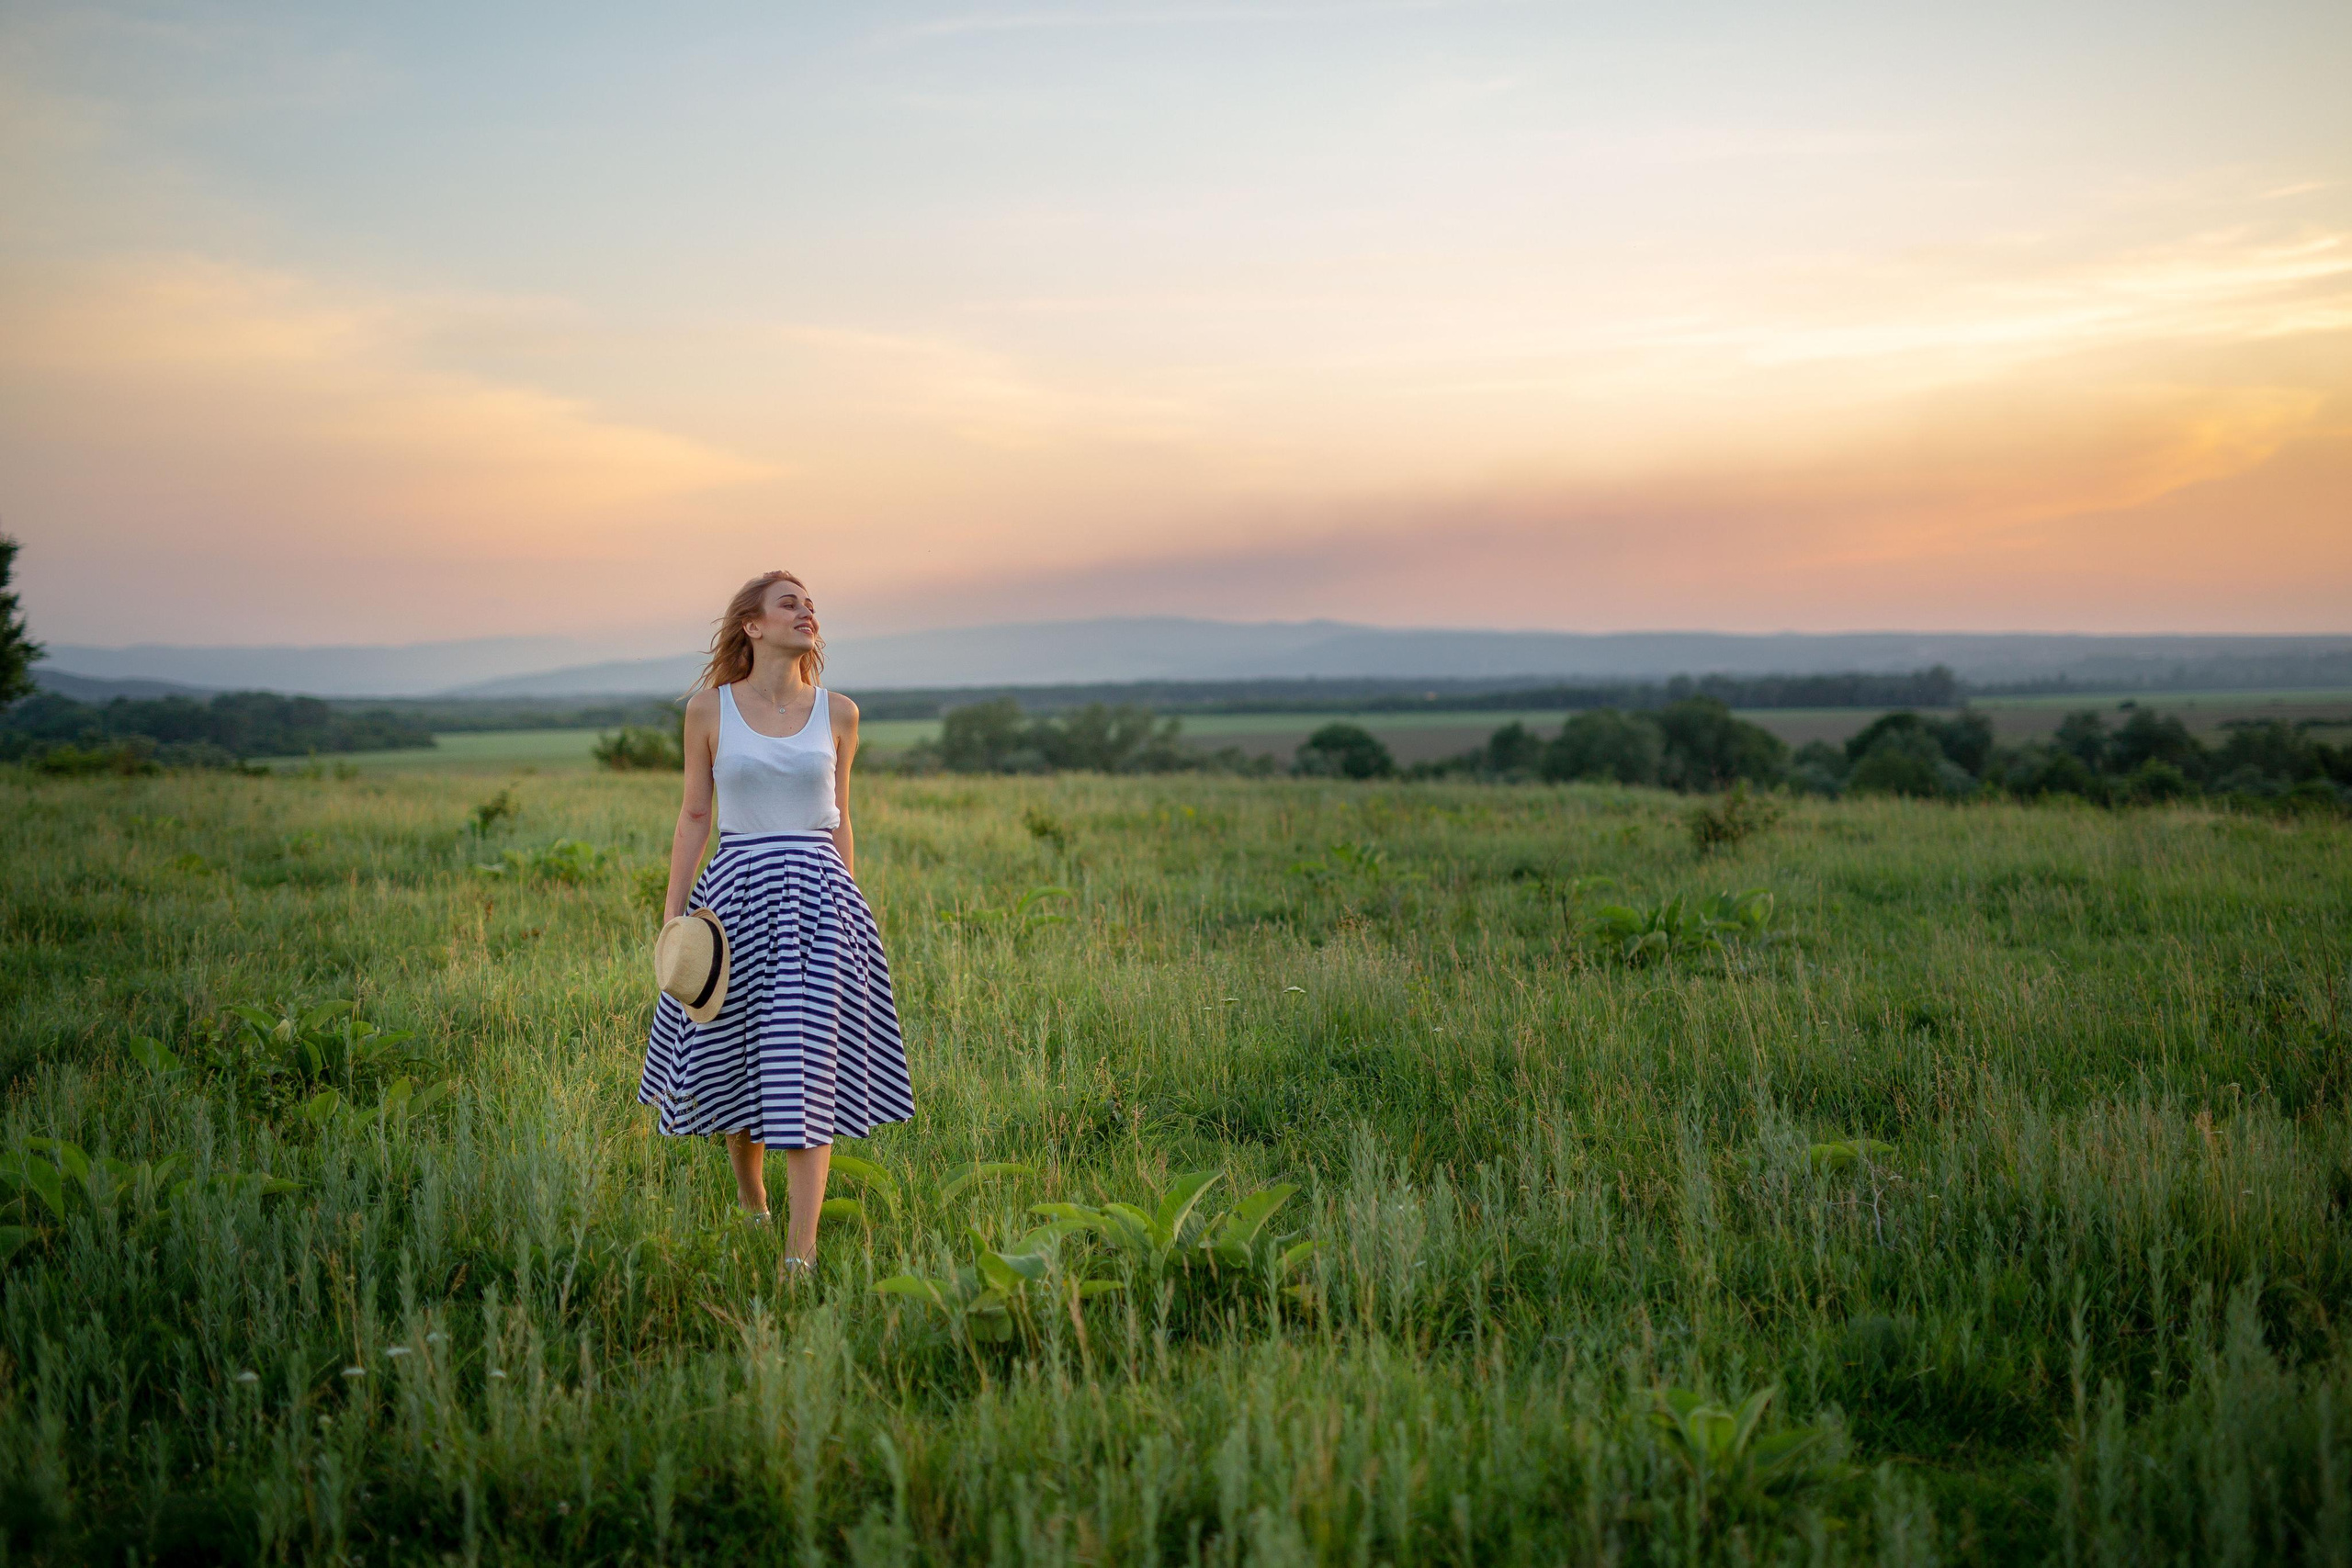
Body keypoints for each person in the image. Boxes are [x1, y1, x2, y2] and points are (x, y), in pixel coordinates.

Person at [638, 570, 914, 1271]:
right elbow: (696, 814)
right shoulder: (709, 710)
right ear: (753, 625)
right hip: (735, 896)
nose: (807, 611)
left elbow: (842, 817)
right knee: (740, 1062)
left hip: (821, 902)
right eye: (790, 602)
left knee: (805, 1070)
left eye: (811, 604)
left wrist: (851, 907)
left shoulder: (841, 713)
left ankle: (801, 1258)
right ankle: (752, 1200)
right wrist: (673, 913)